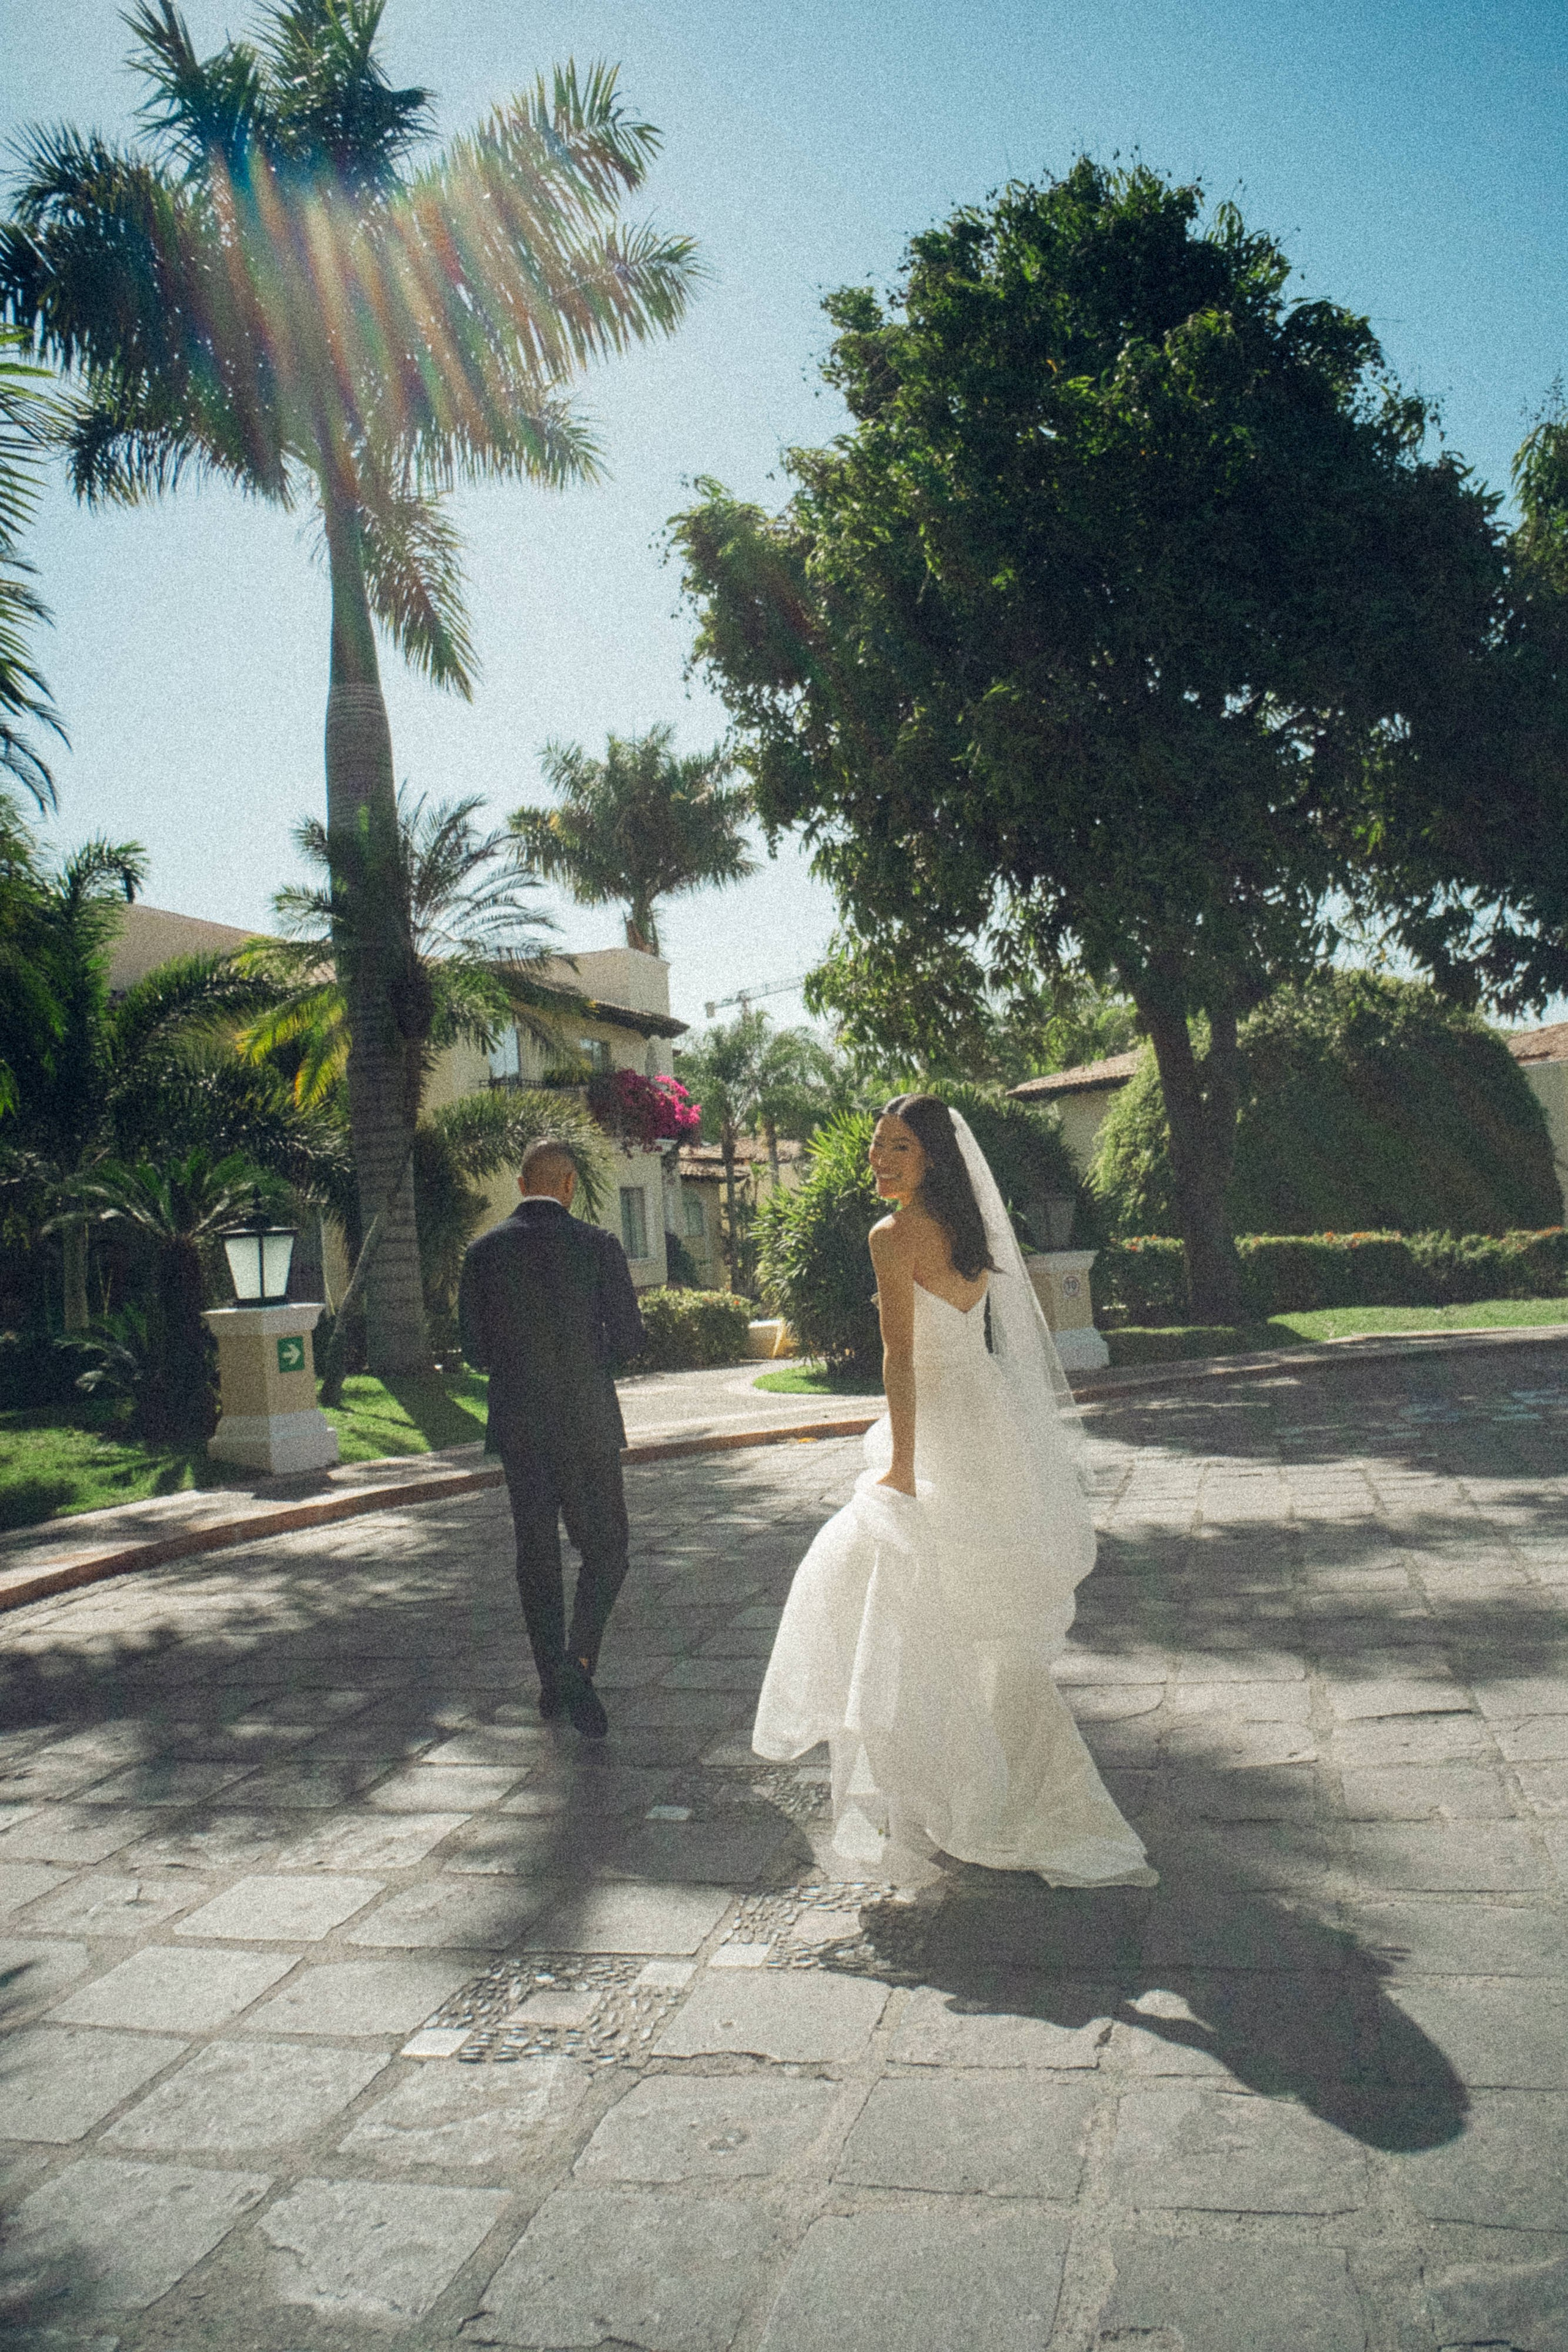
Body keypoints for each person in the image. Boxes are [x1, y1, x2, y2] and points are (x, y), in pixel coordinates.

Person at [753, 1093, 1156, 1888]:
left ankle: (961, 1783)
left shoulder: (894, 1235)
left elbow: (900, 1359)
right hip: (988, 1416)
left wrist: (901, 1466)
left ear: (931, 1157)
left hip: (939, 1424)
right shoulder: (968, 1231)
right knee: (980, 1617)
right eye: (877, 1146)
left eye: (897, 1147)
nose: (879, 1159)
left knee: (906, 1597)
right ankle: (983, 1780)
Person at [458, 1139, 646, 1739]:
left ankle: (551, 1681)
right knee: (607, 1550)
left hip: (519, 1429)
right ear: (567, 1185)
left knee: (535, 1556)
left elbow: (473, 1351)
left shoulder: (482, 1253)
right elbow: (630, 1339)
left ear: (521, 1184)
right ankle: (579, 1664)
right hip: (587, 1426)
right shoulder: (598, 1246)